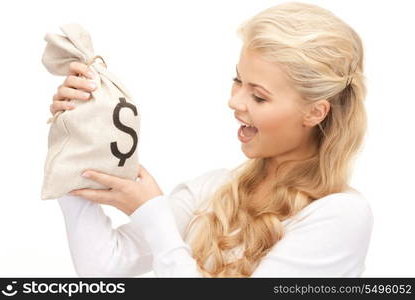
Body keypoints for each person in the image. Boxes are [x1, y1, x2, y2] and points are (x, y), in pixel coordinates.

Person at [51, 2, 373, 277]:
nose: (235, 102)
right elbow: (104, 265)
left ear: (315, 112)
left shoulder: (340, 216)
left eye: (259, 97)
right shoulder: (215, 190)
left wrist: (152, 213)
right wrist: (77, 140)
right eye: (238, 81)